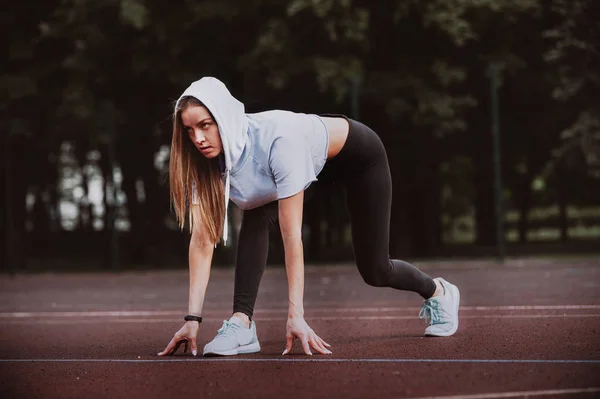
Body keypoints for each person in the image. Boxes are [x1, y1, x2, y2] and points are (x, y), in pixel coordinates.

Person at [157, 77, 460, 358]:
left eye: (205, 125)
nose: (198, 138)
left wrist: (295, 316)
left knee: (376, 271)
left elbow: (291, 236)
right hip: (309, 164)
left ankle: (439, 292)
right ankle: (242, 322)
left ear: (223, 118)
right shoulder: (208, 163)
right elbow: (202, 242)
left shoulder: (277, 143)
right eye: (189, 130)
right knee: (255, 213)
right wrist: (192, 320)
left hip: (356, 160)